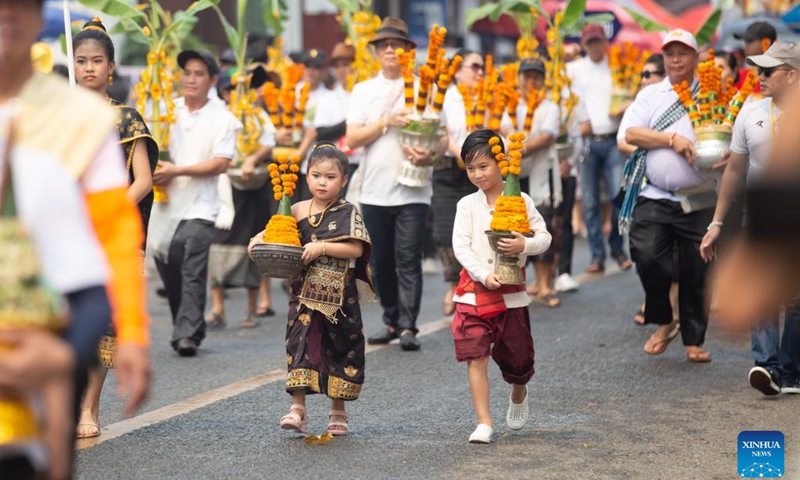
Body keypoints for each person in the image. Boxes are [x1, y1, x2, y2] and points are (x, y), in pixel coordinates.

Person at [0, 0, 150, 476]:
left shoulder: (84, 120)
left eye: (18, 5)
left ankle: (80, 410)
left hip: (46, 324)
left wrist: (130, 333)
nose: (7, 14)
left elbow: (112, 234)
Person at [71, 17, 158, 439]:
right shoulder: (56, 117)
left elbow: (142, 180)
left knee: (102, 325)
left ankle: (89, 408)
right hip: (63, 234)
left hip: (107, 234)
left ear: (111, 66)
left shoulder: (125, 117)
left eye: (97, 61)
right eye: (82, 60)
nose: (89, 68)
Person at [248, 143, 373, 436]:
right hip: (303, 294)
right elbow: (276, 229)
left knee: (340, 349)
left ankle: (337, 411)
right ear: (306, 177)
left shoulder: (348, 212)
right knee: (299, 346)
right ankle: (298, 409)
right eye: (316, 175)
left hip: (339, 299)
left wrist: (322, 247)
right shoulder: (297, 208)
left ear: (343, 181)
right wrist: (257, 239)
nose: (322, 182)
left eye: (330, 177)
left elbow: (355, 247)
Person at [700, 42, 800, 395]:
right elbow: (734, 170)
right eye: (758, 69)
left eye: (769, 70)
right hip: (761, 218)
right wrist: (716, 222)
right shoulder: (750, 111)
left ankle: (792, 371)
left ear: (791, 75)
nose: (759, 76)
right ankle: (767, 367)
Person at [451, 129, 551, 444]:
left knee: (519, 360)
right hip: (473, 294)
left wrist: (524, 244)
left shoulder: (521, 200)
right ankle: (484, 422)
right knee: (475, 353)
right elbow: (461, 247)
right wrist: (482, 274)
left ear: (502, 163)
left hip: (513, 297)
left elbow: (544, 238)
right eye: (471, 168)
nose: (478, 174)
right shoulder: (466, 205)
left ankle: (519, 391)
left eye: (484, 166)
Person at [620, 29, 715, 363]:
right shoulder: (650, 95)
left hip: (702, 196)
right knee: (645, 254)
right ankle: (663, 320)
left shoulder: (712, 92)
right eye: (670, 54)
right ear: (663, 57)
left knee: (698, 268)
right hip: (656, 194)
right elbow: (631, 133)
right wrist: (672, 138)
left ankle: (693, 338)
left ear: (695, 56)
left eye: (683, 53)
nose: (676, 60)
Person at [346, 17, 438, 351]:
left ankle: (409, 326)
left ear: (408, 51)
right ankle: (391, 319)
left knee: (408, 257)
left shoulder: (424, 87)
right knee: (380, 261)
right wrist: (386, 121)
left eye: (396, 44)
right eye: (383, 44)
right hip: (374, 189)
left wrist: (430, 156)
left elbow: (439, 138)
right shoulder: (363, 91)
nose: (389, 49)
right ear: (375, 51)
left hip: (414, 188)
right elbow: (354, 137)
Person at [148, 49, 241, 357]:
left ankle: (186, 333)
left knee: (191, 260)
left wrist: (179, 170)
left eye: (199, 74)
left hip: (201, 205)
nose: (191, 79)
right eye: (187, 72)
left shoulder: (224, 118)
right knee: (168, 260)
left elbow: (221, 163)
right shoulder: (164, 110)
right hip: (165, 204)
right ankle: (187, 324)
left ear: (212, 80)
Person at [438, 49, 511, 315]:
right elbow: (442, 133)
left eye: (483, 68)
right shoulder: (444, 97)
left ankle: (485, 278)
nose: (480, 72)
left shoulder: (491, 96)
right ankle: (452, 284)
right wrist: (463, 156)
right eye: (474, 66)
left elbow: (503, 130)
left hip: (484, 169)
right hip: (451, 168)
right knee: (446, 230)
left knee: (484, 227)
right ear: (457, 70)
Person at [206, 66, 276, 330]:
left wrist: (252, 159)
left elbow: (268, 141)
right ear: (225, 92)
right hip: (225, 189)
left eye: (244, 89)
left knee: (253, 246)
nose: (240, 95)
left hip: (254, 188)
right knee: (217, 246)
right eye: (235, 90)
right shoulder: (219, 116)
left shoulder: (257, 115)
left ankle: (250, 309)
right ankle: (217, 309)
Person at [567, 24, 632, 274]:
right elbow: (552, 74)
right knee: (591, 202)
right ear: (584, 45)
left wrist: (628, 103)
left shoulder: (618, 66)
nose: (594, 46)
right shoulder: (574, 69)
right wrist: (564, 54)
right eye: (589, 42)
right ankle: (597, 255)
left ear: (605, 42)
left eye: (598, 41)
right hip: (587, 142)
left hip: (614, 139)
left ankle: (617, 248)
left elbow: (637, 89)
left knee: (619, 196)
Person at [617, 53, 675, 326]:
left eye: (648, 74)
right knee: (645, 251)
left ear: (663, 77)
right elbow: (624, 140)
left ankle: (671, 312)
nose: (643, 79)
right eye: (641, 74)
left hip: (684, 190)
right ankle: (657, 301)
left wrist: (652, 142)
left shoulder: (680, 98)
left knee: (679, 253)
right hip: (644, 186)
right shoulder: (641, 101)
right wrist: (662, 147)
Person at [516, 58, 562, 307]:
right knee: (517, 227)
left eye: (536, 77)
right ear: (519, 78)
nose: (531, 82)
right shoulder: (509, 103)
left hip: (541, 178)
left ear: (543, 81)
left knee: (542, 224)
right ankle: (532, 281)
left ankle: (545, 284)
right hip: (513, 175)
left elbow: (546, 138)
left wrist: (517, 150)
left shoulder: (550, 107)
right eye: (527, 76)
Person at [314, 42, 362, 193]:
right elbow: (321, 134)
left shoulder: (366, 94)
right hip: (338, 167)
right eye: (337, 66)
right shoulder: (327, 98)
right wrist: (349, 123)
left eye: (346, 64)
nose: (342, 70)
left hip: (365, 163)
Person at [733, 21, 777, 93]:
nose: (745, 47)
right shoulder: (740, 76)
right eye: (745, 41)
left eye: (750, 41)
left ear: (766, 42)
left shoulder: (781, 76)